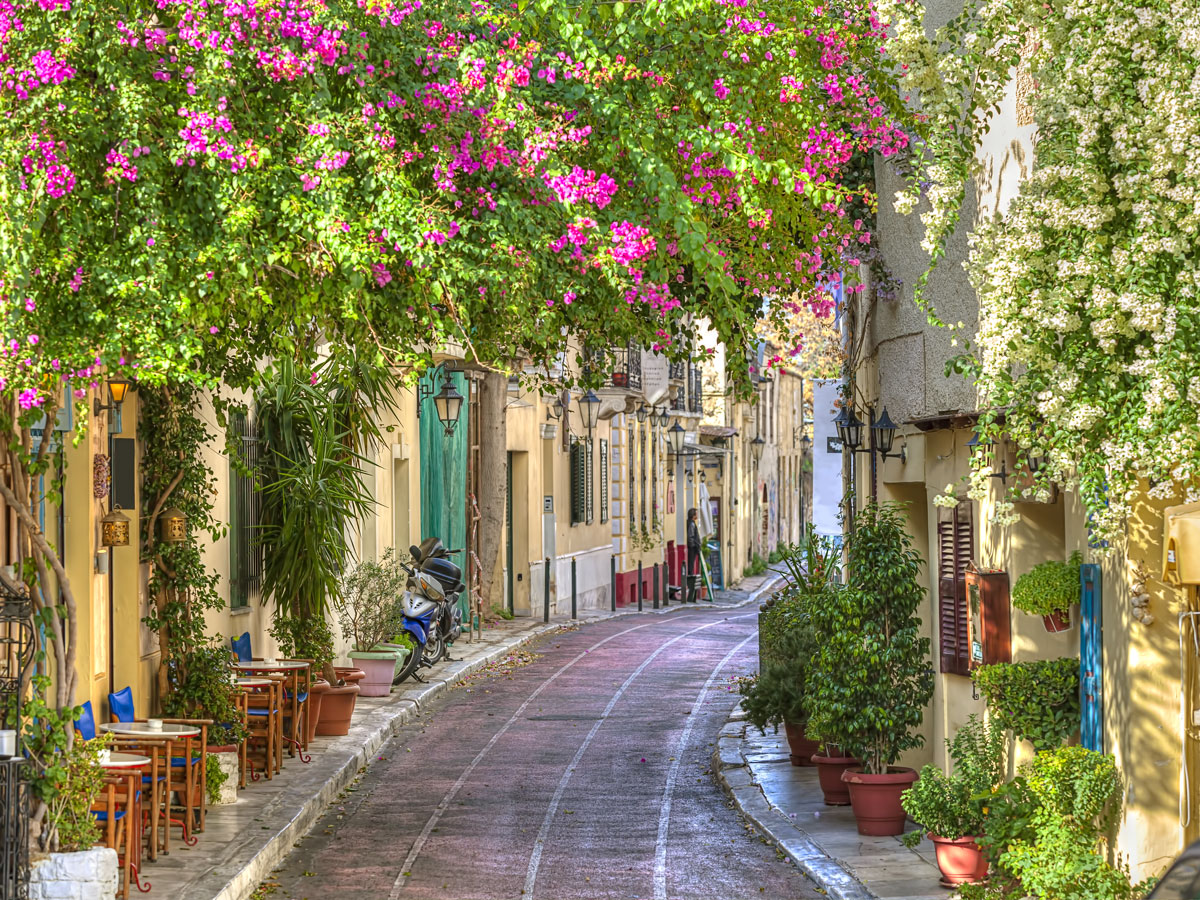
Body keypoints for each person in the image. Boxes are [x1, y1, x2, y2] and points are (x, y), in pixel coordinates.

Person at [686, 507, 701, 602]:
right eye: (696, 513)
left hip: (693, 548)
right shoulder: (691, 524)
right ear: (693, 515)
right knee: (691, 567)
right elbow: (690, 536)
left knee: (691, 566)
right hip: (692, 548)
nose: (697, 515)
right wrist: (693, 546)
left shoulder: (692, 523)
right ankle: (690, 587)